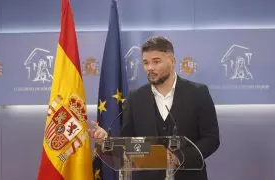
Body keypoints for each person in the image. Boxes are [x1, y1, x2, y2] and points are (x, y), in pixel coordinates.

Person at [89, 36, 220, 180]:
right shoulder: (136, 97)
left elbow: (211, 139)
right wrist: (108, 141)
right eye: (146, 63)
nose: (150, 68)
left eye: (156, 61)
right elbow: (127, 141)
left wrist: (178, 158)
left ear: (172, 60)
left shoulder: (198, 93)